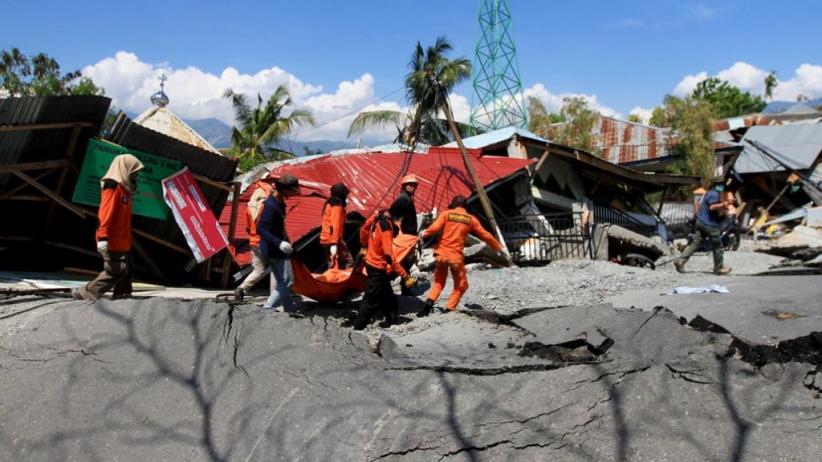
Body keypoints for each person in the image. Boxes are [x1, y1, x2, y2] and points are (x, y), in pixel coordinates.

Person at [416, 195, 502, 316]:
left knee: (439, 283)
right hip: (455, 258)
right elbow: (485, 234)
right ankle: (449, 310)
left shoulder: (446, 214)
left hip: (441, 255)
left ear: (453, 205)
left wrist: (423, 235)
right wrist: (497, 246)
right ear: (464, 206)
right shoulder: (470, 219)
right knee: (461, 285)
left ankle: (426, 307)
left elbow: (434, 228)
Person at [74, 154, 144, 300]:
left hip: (123, 240)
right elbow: (105, 213)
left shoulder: (125, 190)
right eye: (133, 171)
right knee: (115, 270)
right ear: (125, 169)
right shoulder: (112, 187)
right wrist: (102, 236)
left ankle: (123, 294)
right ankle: (86, 293)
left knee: (128, 269)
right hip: (112, 239)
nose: (135, 175)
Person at [353, 202, 416, 330]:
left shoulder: (376, 221)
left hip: (372, 263)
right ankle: (359, 327)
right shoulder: (387, 228)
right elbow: (389, 256)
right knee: (371, 299)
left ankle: (392, 319)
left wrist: (364, 246)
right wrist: (405, 276)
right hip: (376, 267)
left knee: (387, 294)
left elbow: (363, 229)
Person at [257, 174, 302, 311]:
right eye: (292, 190)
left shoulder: (280, 202)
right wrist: (279, 243)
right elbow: (261, 228)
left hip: (274, 248)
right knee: (288, 281)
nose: (294, 193)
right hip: (274, 250)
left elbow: (279, 227)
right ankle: (267, 308)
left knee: (282, 282)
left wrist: (287, 241)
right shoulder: (271, 206)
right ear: (285, 190)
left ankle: (289, 309)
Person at [675, 179, 733, 275]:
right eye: (722, 185)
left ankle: (681, 261)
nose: (723, 187)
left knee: (695, 243)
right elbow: (712, 207)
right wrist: (724, 204)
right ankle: (719, 268)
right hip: (709, 225)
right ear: (718, 185)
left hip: (700, 222)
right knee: (718, 246)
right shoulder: (714, 194)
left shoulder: (708, 193)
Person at [234, 180, 273, 302]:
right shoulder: (266, 207)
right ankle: (275, 297)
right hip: (265, 242)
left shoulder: (249, 208)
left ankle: (241, 289)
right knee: (276, 268)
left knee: (258, 270)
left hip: (254, 242)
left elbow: (247, 227)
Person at [391, 174, 419, 295]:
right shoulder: (404, 199)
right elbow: (391, 213)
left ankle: (405, 288)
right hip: (405, 237)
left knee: (405, 262)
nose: (413, 187)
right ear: (404, 186)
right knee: (403, 262)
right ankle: (405, 289)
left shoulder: (407, 198)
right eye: (410, 185)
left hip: (408, 236)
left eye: (414, 185)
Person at [319, 183, 352, 269]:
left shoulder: (330, 202)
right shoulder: (336, 206)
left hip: (327, 239)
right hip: (332, 239)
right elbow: (335, 225)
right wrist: (334, 243)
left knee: (333, 263)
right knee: (347, 262)